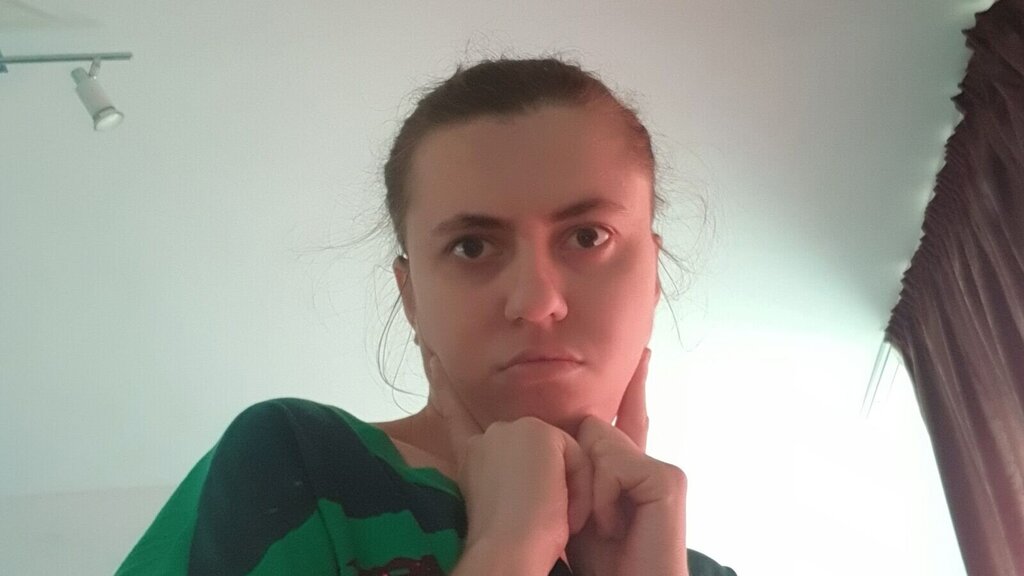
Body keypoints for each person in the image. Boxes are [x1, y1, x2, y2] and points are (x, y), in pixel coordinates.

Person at [116, 57, 737, 576]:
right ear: (410, 294)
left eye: (587, 237)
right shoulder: (299, 467)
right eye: (472, 246)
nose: (535, 301)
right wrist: (507, 550)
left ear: (654, 274)